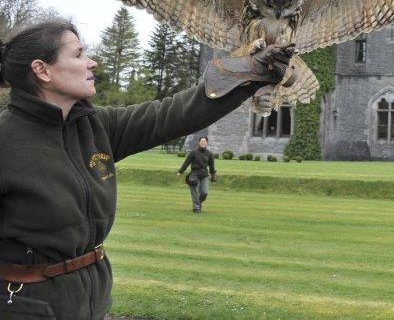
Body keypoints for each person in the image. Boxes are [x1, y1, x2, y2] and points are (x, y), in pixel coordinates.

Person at [0, 19, 292, 320]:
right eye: (78, 55)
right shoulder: (5, 141)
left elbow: (174, 114)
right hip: (26, 306)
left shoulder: (96, 126)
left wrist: (249, 75)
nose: (91, 62)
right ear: (42, 70)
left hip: (91, 302)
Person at [177, 136, 216, 213]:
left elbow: (212, 165)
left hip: (204, 175)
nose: (203, 142)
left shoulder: (209, 154)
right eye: (201, 141)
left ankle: (199, 203)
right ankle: (196, 207)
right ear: (199, 143)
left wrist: (212, 174)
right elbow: (186, 163)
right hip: (194, 175)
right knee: (195, 192)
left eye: (204, 141)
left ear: (206, 143)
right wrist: (180, 172)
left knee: (204, 193)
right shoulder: (194, 152)